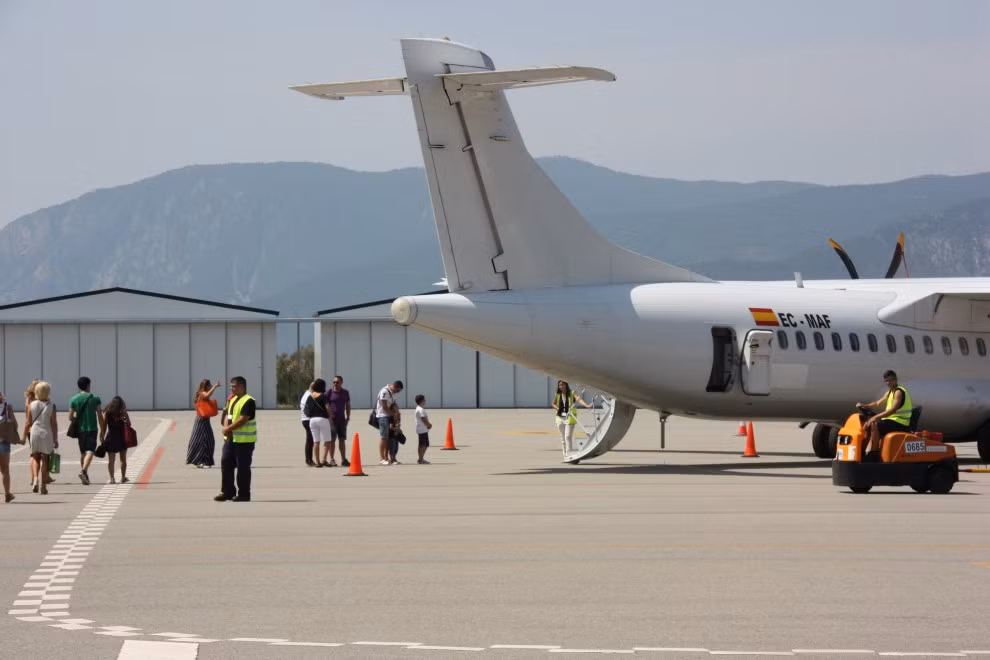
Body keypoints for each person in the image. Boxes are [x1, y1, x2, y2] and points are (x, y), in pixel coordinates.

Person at [215, 376, 257, 502]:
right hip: (230, 440)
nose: (231, 388)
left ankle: (244, 494)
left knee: (243, 468)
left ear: (241, 386)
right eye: (231, 386)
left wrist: (229, 429)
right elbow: (228, 416)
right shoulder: (233, 400)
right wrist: (227, 429)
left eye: (233, 386)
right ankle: (227, 492)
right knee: (226, 464)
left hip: (244, 441)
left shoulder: (249, 401)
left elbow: (243, 419)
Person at [856, 370, 913, 454]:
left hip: (901, 423)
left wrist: (874, 418)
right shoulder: (889, 392)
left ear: (896, 379)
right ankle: (865, 451)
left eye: (891, 380)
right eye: (886, 381)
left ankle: (873, 452)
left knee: (874, 424)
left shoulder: (898, 392)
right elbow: (877, 403)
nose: (888, 382)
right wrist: (864, 405)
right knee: (868, 424)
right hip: (892, 421)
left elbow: (892, 410)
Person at [68, 376, 105, 486]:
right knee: (90, 451)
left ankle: (85, 475)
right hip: (92, 429)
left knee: (83, 452)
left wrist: (78, 420)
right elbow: (99, 415)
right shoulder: (95, 398)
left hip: (80, 430)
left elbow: (70, 417)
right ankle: (83, 471)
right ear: (88, 385)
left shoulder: (73, 399)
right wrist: (103, 430)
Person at [25, 381, 57, 495]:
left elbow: (28, 422)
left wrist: (24, 436)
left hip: (34, 432)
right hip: (46, 433)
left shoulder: (31, 404)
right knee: (45, 459)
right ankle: (43, 486)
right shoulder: (51, 405)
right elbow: (53, 423)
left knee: (35, 457)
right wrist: (56, 438)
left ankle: (35, 479)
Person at [187, 378, 221, 467]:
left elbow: (208, 395)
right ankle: (200, 461)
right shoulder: (201, 394)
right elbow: (206, 395)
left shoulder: (203, 393)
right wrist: (215, 387)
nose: (210, 386)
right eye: (209, 385)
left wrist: (213, 388)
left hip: (205, 420)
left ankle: (204, 461)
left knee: (208, 440)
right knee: (202, 441)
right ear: (206, 386)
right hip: (201, 420)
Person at [552, 380, 591, 456]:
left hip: (569, 418)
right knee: (563, 438)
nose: (561, 386)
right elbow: (553, 404)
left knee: (568, 436)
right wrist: (558, 409)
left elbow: (579, 399)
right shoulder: (558, 394)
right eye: (559, 385)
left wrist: (586, 405)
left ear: (566, 385)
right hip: (560, 418)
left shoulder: (572, 393)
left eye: (563, 385)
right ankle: (565, 454)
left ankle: (569, 454)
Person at [102, 396, 131, 484]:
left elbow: (104, 426)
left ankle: (112, 478)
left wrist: (102, 437)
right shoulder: (123, 412)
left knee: (111, 460)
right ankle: (123, 477)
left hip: (111, 437)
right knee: (123, 459)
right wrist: (124, 419)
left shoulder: (108, 412)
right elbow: (129, 424)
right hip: (122, 438)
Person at [305, 378, 333, 467]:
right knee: (327, 440)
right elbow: (328, 407)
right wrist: (330, 416)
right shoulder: (323, 396)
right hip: (322, 419)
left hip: (312, 420)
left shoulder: (310, 396)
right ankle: (324, 459)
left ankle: (317, 462)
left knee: (316, 441)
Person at [376, 380, 403, 465]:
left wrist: (397, 413)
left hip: (389, 416)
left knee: (390, 437)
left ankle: (389, 458)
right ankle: (382, 458)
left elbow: (393, 404)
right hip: (383, 416)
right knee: (384, 437)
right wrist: (393, 415)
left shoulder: (393, 393)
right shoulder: (384, 391)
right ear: (395, 386)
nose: (397, 392)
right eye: (398, 390)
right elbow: (384, 406)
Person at [328, 375, 351, 468]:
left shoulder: (345, 392)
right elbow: (325, 404)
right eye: (334, 382)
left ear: (341, 382)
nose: (335, 384)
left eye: (337, 382)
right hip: (332, 420)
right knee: (332, 440)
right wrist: (328, 416)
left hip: (342, 420)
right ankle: (332, 459)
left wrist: (348, 417)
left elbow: (348, 405)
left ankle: (343, 459)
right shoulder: (329, 392)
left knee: (342, 439)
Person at [0, 392, 16, 503]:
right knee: (5, 469)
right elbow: (14, 423)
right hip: (3, 440)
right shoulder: (7, 406)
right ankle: (7, 493)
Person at [414, 394, 432, 465]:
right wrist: (429, 425)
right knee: (424, 444)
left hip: (420, 429)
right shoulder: (421, 409)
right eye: (424, 400)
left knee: (422, 444)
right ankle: (420, 459)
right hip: (422, 429)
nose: (425, 401)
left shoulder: (418, 408)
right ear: (421, 401)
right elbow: (423, 419)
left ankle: (421, 458)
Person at [300, 381, 315, 467]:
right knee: (310, 440)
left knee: (309, 440)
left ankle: (309, 459)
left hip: (305, 419)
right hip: (308, 419)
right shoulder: (309, 396)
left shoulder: (306, 394)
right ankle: (309, 459)